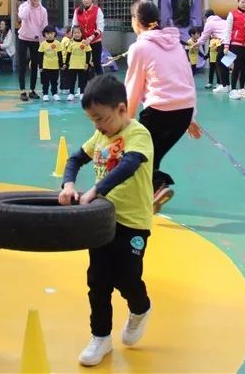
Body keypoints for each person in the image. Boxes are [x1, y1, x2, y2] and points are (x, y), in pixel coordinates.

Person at [59, 75, 156, 367]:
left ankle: (141, 308)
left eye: (102, 118)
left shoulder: (138, 134)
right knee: (97, 280)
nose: (98, 125)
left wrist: (96, 190)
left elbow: (129, 164)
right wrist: (68, 185)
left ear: (122, 109)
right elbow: (75, 159)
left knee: (127, 278)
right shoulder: (100, 135)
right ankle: (100, 337)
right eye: (92, 120)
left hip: (133, 223)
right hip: (102, 221)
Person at [123, 0, 200, 211]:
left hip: (160, 111)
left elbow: (133, 87)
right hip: (183, 112)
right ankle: (151, 194)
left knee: (134, 152)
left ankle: (158, 185)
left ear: (136, 21)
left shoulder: (139, 48)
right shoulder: (176, 43)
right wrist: (191, 117)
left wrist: (125, 123)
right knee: (151, 155)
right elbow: (188, 80)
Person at [17, 0, 48, 101]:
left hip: (36, 40)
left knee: (35, 64)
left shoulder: (43, 10)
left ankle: (32, 90)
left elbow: (44, 26)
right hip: (23, 38)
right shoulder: (24, 6)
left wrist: (43, 43)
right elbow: (23, 17)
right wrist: (29, 6)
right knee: (22, 64)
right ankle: (22, 91)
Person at [72, 0, 105, 77]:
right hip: (82, 43)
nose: (86, 0)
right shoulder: (77, 11)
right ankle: (83, 88)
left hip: (95, 42)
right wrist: (74, 39)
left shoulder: (97, 10)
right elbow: (74, 26)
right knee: (83, 65)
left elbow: (100, 28)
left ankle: (102, 86)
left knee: (96, 64)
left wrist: (90, 38)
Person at [196, 9, 230, 93]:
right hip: (231, 42)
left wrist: (196, 43)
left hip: (225, 42)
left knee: (219, 62)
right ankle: (228, 85)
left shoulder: (209, 22)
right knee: (226, 64)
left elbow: (204, 37)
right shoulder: (222, 21)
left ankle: (224, 85)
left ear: (205, 17)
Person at [64, 27, 92, 101]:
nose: (76, 34)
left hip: (82, 66)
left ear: (81, 33)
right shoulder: (71, 43)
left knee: (82, 80)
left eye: (78, 33)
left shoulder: (85, 42)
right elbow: (68, 54)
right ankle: (71, 94)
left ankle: (82, 93)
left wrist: (87, 63)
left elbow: (88, 53)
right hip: (72, 66)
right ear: (72, 34)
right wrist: (66, 64)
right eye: (75, 33)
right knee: (72, 80)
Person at [38, 25, 62, 101]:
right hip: (45, 67)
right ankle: (45, 94)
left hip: (55, 66)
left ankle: (55, 93)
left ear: (54, 34)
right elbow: (40, 56)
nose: (49, 35)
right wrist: (40, 67)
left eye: (51, 33)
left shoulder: (58, 43)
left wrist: (61, 65)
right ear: (44, 34)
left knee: (54, 81)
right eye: (47, 34)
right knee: (45, 82)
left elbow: (60, 55)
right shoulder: (43, 44)